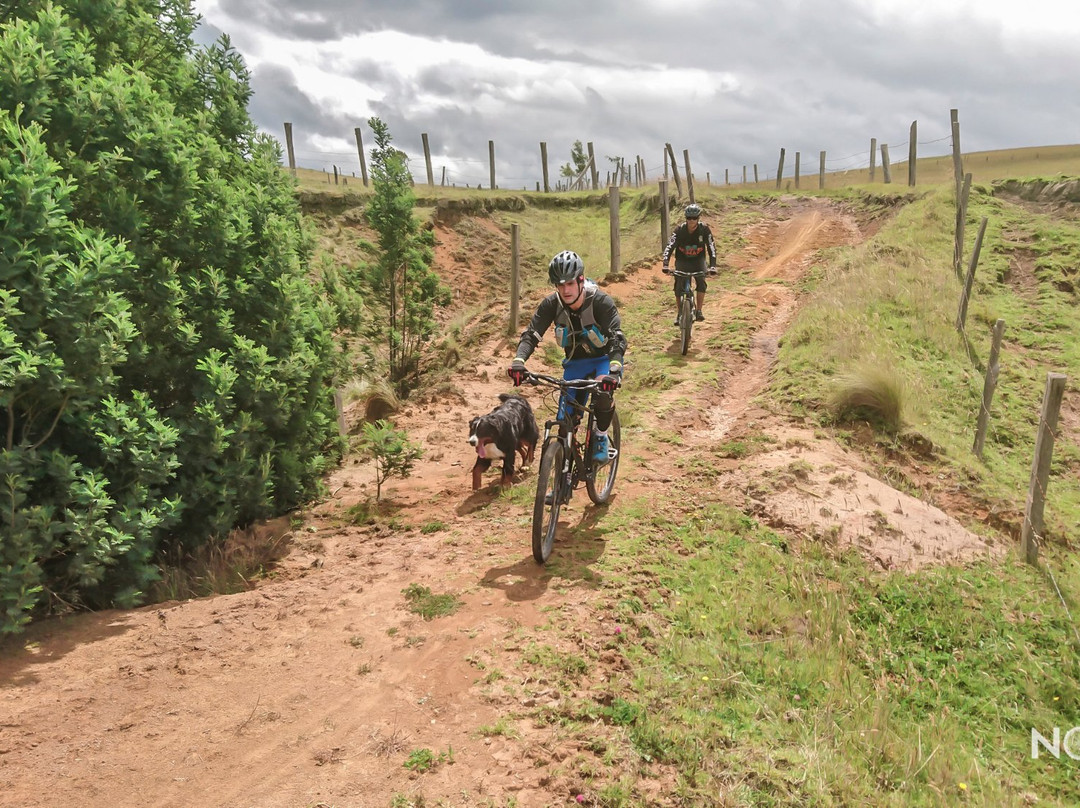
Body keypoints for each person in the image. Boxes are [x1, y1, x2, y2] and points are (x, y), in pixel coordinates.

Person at [507, 250, 626, 464]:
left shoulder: (600, 302)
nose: (565, 290)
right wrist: (519, 361)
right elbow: (531, 335)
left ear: (581, 280)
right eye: (560, 285)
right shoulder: (551, 305)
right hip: (575, 364)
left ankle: (600, 436)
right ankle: (563, 478)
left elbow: (617, 339)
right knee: (564, 422)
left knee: (602, 394)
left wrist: (615, 370)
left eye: (570, 283)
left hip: (603, 361)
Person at [661, 202, 717, 323]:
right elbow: (669, 247)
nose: (691, 221)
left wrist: (712, 266)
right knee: (678, 285)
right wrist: (665, 264)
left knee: (701, 281)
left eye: (694, 218)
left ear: (698, 218)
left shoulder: (704, 230)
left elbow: (711, 247)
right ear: (685, 218)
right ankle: (680, 313)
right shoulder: (679, 230)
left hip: (698, 261)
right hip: (682, 261)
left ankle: (699, 310)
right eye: (689, 218)